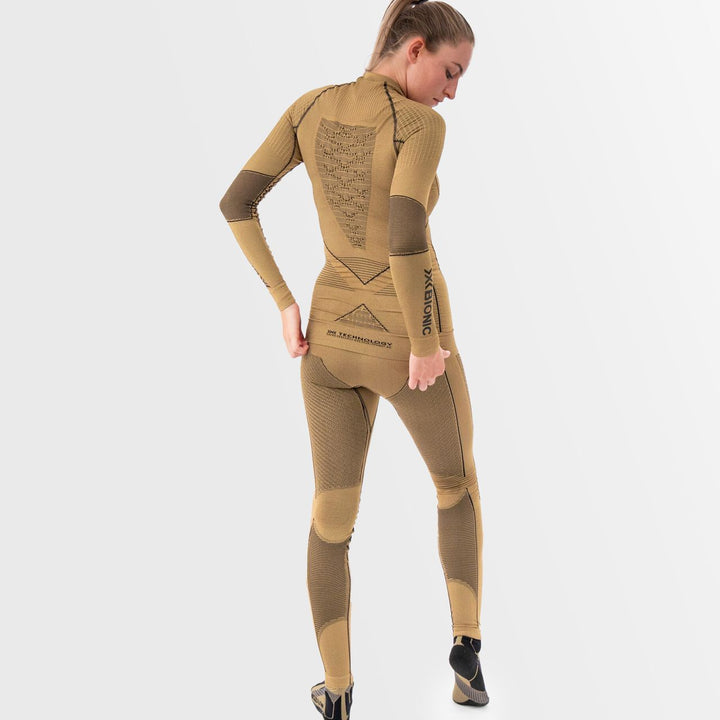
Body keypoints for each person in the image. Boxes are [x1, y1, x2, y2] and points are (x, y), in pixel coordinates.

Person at [219, 1, 487, 716]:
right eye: (451, 71)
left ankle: (336, 692)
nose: (452, 91)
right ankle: (467, 653)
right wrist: (424, 344)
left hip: (329, 344)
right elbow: (405, 234)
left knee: (331, 519)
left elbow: (237, 203)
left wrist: (284, 301)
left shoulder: (309, 107)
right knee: (456, 486)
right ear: (415, 48)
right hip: (407, 345)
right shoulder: (419, 126)